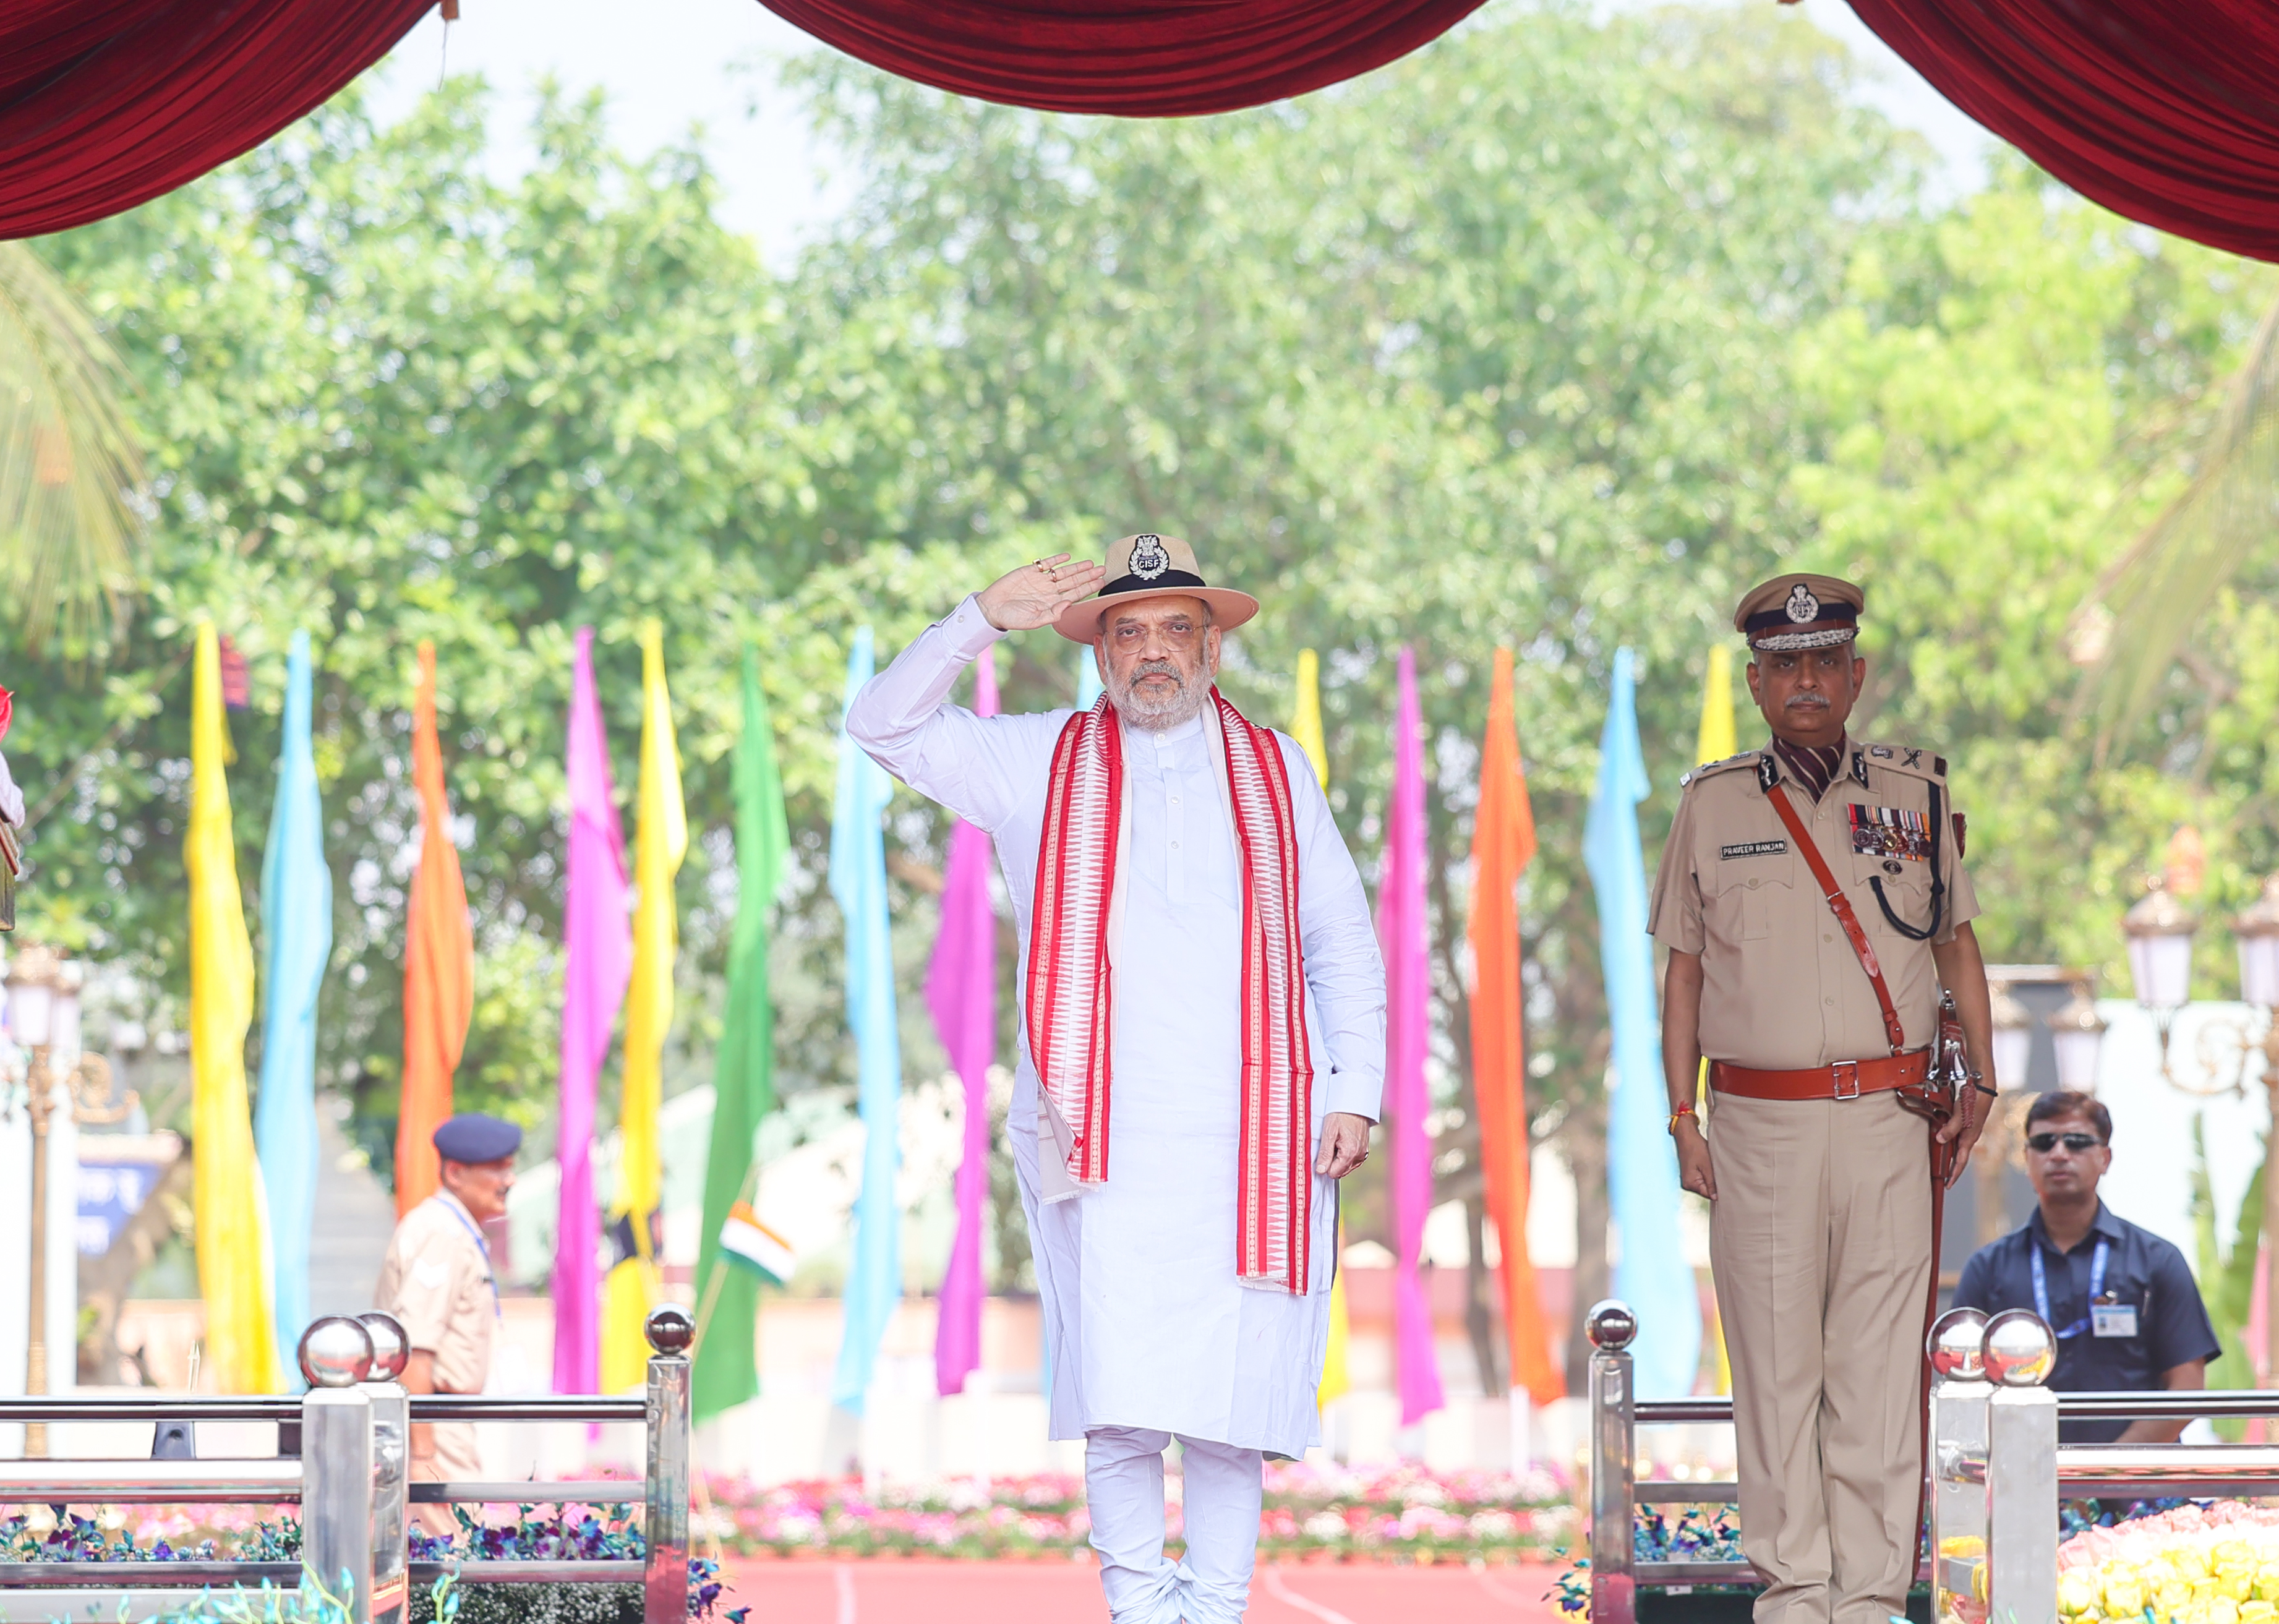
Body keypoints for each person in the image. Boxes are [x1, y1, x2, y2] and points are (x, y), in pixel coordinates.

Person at [846, 536, 1384, 1624]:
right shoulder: (1034, 759)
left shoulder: (1278, 769)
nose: (1152, 652)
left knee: (1232, 1411)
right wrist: (977, 619)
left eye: (1175, 629)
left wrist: (1353, 1085)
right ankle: (1139, 1613)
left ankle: (1216, 1612)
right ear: (1098, 654)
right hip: (1098, 1135)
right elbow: (880, 724)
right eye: (1127, 632)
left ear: (1212, 648)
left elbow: (1338, 936)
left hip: (1256, 1136)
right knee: (1122, 1406)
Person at [1650, 572, 1996, 1624]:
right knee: (1775, 1370)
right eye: (1784, 664)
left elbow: (1957, 947)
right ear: (1756, 683)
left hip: (1890, 1122)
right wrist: (1682, 1115)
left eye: (1825, 661)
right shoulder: (1711, 805)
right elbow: (1683, 972)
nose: (1806, 679)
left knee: (1879, 1373)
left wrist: (1982, 1076)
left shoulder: (1914, 797)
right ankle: (1797, 1595)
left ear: (1856, 674)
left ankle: (1871, 1600)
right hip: (1757, 1126)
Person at [1953, 1090, 2218, 1444]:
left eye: (2077, 1142)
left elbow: (2187, 1385)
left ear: (2105, 1158)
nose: (2059, 1154)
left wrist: (2108, 1465)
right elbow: (1964, 1384)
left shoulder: (2157, 1260)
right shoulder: (1988, 1268)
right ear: (2027, 1158)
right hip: (2018, 1470)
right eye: (2044, 1143)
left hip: (2135, 1473)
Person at [375, 1111, 518, 1537]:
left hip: (438, 1420)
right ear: (455, 1173)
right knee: (452, 1556)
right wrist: (423, 1455)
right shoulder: (443, 1233)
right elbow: (415, 1351)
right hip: (431, 1419)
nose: (509, 1180)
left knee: (452, 1553)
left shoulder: (451, 1227)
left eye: (509, 1168)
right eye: (497, 1168)